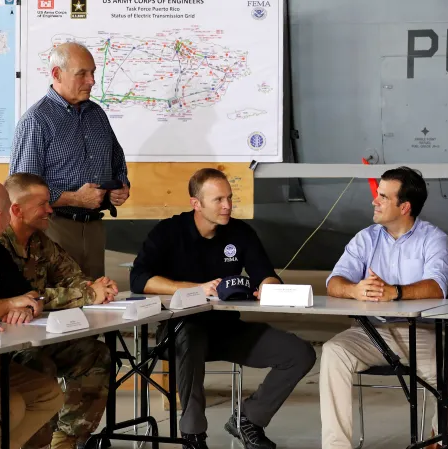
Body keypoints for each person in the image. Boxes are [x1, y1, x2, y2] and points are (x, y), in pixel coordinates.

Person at [129, 168, 315, 449]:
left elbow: (265, 273)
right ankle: (193, 435)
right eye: (218, 200)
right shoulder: (168, 232)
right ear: (196, 203)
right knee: (190, 336)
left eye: (229, 198)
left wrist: (268, 285)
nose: (228, 205)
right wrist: (195, 289)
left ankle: (248, 420)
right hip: (179, 332)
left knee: (299, 353)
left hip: (227, 331)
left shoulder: (240, 232)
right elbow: (139, 278)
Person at [321, 166, 448, 449]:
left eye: (383, 196)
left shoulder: (434, 239)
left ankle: (439, 439)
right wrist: (354, 289)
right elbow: (333, 282)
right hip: (370, 332)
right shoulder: (366, 238)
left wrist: (395, 292)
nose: (375, 200)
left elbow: (438, 286)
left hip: (421, 333)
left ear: (405, 206)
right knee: (333, 351)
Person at [0, 173, 115, 449]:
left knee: (95, 354)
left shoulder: (39, 240)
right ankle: (34, 442)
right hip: (8, 346)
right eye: (42, 204)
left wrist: (95, 286)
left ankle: (65, 441)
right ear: (16, 209)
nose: (50, 210)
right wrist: (87, 293)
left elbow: (71, 275)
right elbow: (18, 299)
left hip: (41, 336)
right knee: (40, 366)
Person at [9, 41, 130, 278]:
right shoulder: (36, 121)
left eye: (93, 72)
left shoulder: (97, 115)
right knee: (60, 304)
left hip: (94, 227)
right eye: (82, 74)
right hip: (53, 228)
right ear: (57, 74)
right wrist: (75, 198)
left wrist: (121, 186)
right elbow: (21, 192)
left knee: (96, 302)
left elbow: (118, 160)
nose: (92, 81)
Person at [0, 180, 65, 448]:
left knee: (49, 394)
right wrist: (8, 305)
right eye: (8, 208)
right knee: (12, 407)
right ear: (1, 217)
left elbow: (30, 295)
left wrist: (28, 306)